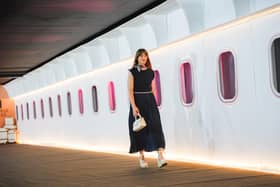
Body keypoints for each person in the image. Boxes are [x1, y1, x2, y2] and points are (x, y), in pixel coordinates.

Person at [128, 48, 167, 168]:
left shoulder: (151, 72)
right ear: (137, 58)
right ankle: (141, 157)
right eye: (141, 56)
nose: (143, 58)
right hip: (138, 102)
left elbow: (153, 88)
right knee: (140, 130)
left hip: (150, 102)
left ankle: (160, 156)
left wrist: (155, 103)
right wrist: (134, 106)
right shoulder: (132, 72)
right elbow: (130, 90)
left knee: (156, 127)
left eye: (145, 56)